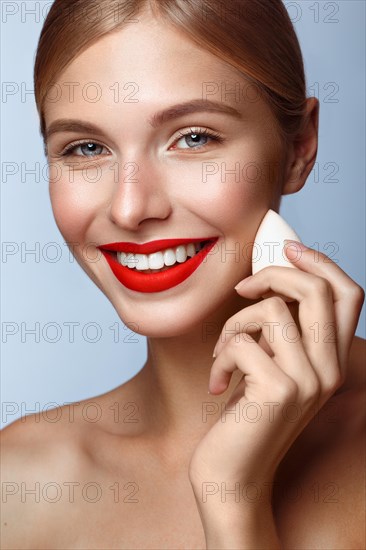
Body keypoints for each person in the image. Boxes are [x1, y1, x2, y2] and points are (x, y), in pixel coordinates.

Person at [2, 0, 365, 548]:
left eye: (194, 137)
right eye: (86, 148)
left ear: (299, 148)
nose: (130, 208)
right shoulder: (21, 483)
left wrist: (231, 496)